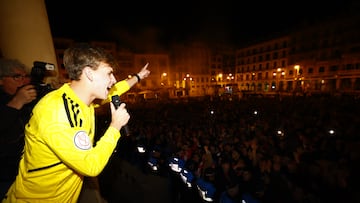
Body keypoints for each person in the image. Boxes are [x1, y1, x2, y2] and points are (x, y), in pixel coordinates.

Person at [2, 43, 150, 203]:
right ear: (89, 73)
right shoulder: (57, 112)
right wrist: (115, 127)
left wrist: (138, 76)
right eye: (109, 73)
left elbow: (117, 89)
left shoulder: (81, 99)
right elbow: (90, 166)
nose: (113, 79)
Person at [0, 58, 37, 199]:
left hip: (29, 169)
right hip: (6, 175)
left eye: (25, 76)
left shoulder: (27, 97)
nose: (23, 81)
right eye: (16, 77)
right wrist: (17, 102)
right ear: (1, 80)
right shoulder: (14, 99)